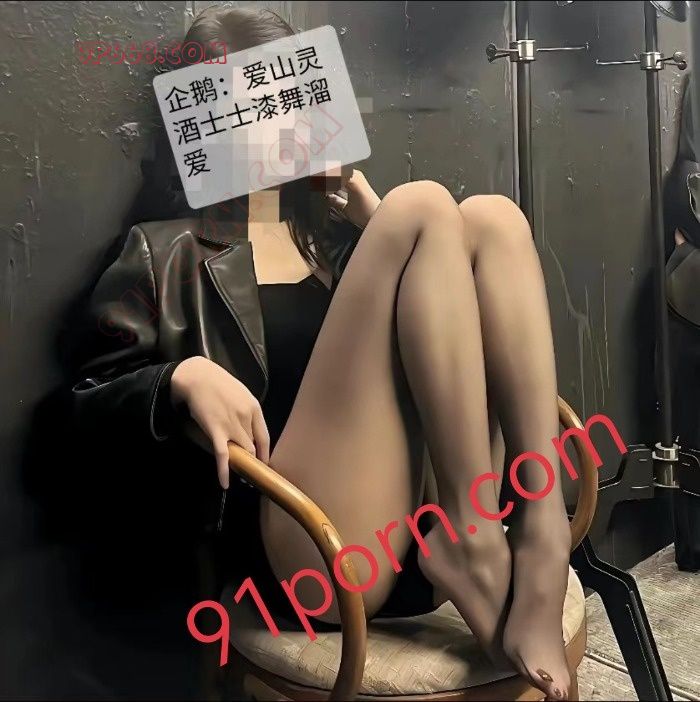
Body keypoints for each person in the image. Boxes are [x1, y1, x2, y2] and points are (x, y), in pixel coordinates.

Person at [72, 6, 572, 700]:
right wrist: (179, 377)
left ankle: (539, 531)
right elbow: (84, 405)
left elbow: (441, 347)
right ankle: (474, 540)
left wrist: (372, 220)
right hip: (313, 553)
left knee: (494, 218)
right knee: (423, 204)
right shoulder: (167, 251)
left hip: (412, 528)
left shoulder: (339, 243)